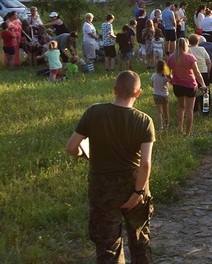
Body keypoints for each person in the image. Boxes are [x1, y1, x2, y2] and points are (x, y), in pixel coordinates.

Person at [65, 71, 155, 262]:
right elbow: (145, 163)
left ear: (114, 89)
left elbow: (71, 147)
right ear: (138, 93)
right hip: (133, 183)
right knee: (140, 239)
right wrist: (138, 192)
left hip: (102, 185)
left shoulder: (93, 112)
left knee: (107, 244)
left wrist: (84, 153)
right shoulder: (145, 120)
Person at [167, 37, 208, 135]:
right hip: (190, 85)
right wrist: (203, 84)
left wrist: (171, 79)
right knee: (190, 110)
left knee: (181, 107)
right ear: (186, 45)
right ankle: (188, 132)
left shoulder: (171, 58)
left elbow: (166, 71)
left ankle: (180, 128)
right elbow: (197, 73)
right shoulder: (190, 57)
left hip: (177, 85)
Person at [188, 34, 212, 110]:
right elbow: (208, 62)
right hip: (203, 71)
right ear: (198, 42)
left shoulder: (188, 50)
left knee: (194, 91)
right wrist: (208, 71)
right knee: (205, 91)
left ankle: (195, 108)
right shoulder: (202, 49)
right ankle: (205, 109)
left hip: (193, 72)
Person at [151, 59, 171, 130]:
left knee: (159, 111)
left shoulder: (154, 75)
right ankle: (167, 124)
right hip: (164, 95)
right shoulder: (165, 77)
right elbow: (171, 80)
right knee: (166, 111)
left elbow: (152, 85)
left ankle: (160, 126)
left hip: (156, 94)